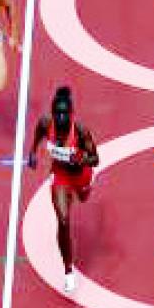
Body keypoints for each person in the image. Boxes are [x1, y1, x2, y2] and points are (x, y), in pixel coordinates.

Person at [27, 86, 99, 293]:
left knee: (83, 197)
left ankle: (84, 189)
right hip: (60, 175)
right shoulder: (45, 124)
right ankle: (68, 270)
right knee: (63, 220)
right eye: (56, 113)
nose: (59, 117)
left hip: (81, 175)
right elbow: (38, 135)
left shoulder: (81, 132)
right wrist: (32, 153)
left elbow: (96, 158)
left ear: (71, 114)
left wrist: (83, 158)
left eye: (63, 114)